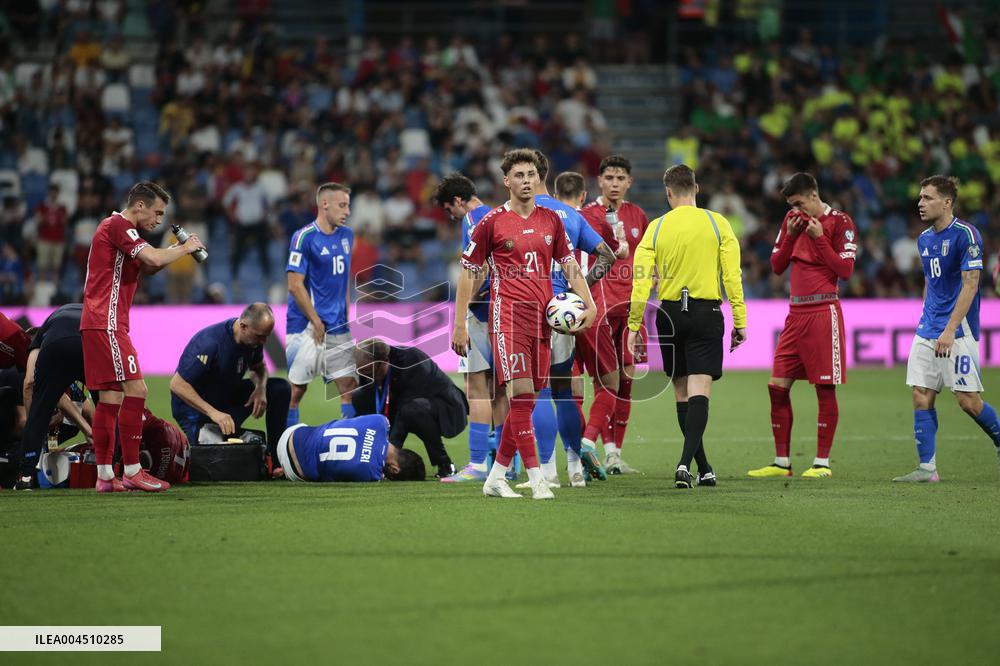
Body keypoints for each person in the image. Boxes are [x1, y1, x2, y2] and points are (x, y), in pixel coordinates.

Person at [452, 148, 596, 500]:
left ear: (538, 178)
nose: (526, 180)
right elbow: (469, 273)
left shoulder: (552, 220)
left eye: (531, 174)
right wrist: (458, 324)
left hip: (544, 321)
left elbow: (570, 266)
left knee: (526, 401)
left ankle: (496, 476)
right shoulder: (492, 222)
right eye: (519, 175)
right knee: (519, 395)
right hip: (508, 320)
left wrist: (588, 304)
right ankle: (537, 477)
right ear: (506, 181)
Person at [80, 180, 205, 493]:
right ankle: (134, 470)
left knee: (111, 398)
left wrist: (177, 250)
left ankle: (105, 475)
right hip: (107, 322)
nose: (159, 220)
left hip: (100, 323)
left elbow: (147, 267)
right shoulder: (119, 225)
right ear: (139, 205)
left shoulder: (122, 233)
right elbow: (152, 259)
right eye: (157, 212)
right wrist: (185, 248)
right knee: (137, 389)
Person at [628, 164, 747, 489]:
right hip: (706, 311)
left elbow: (641, 282)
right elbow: (732, 277)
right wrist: (740, 320)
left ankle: (704, 466)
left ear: (668, 192)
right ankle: (684, 463)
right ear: (696, 188)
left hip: (669, 316)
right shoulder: (717, 223)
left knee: (681, 392)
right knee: (700, 390)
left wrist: (634, 324)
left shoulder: (656, 227)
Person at [747, 173, 856, 479]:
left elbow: (845, 270)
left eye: (798, 203)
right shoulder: (792, 221)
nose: (795, 210)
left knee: (824, 387)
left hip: (824, 311)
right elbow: (777, 266)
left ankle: (822, 463)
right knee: (776, 386)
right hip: (795, 313)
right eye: (791, 205)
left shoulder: (841, 222)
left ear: (812, 195)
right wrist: (794, 235)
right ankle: (782, 462)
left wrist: (819, 238)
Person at [894, 176, 1000, 482]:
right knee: (920, 394)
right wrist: (927, 320)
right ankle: (927, 468)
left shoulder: (966, 235)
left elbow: (971, 284)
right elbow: (931, 282)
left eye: (927, 198)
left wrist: (950, 329)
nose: (920, 203)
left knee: (968, 401)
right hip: (928, 327)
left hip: (959, 330)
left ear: (947, 202)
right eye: (920, 197)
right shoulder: (924, 239)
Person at [528, 155, 616, 489]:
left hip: (531, 309)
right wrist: (579, 294)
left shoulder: (519, 213)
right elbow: (607, 254)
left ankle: (547, 471)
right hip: (563, 312)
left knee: (538, 390)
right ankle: (575, 468)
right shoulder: (570, 215)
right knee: (564, 391)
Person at [433, 172, 509, 483]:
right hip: (504, 311)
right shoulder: (495, 214)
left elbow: (479, 268)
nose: (450, 216)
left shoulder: (472, 220)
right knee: (500, 391)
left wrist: (461, 317)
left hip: (480, 313)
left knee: (477, 389)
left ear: (458, 201)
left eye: (449, 210)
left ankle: (477, 464)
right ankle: (507, 464)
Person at [580, 154, 650, 474]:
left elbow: (646, 258)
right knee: (605, 382)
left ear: (629, 182)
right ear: (600, 181)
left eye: (621, 178)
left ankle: (615, 455)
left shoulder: (639, 215)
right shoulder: (589, 215)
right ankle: (599, 448)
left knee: (627, 380)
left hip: (632, 307)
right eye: (609, 178)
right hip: (602, 306)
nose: (615, 184)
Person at [170, 303, 291, 469]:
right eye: (260, 336)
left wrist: (261, 389)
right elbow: (177, 384)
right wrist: (213, 413)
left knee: (280, 388)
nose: (263, 341)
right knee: (226, 461)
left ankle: (277, 462)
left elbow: (259, 367)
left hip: (226, 398)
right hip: (197, 412)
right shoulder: (210, 343)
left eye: (266, 337)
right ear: (243, 326)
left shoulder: (253, 341)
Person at [285, 182, 358, 427]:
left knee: (348, 385)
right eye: (342, 205)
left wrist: (346, 317)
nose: (347, 211)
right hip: (307, 325)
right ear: (324, 204)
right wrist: (315, 320)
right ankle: (287, 446)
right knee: (296, 391)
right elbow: (294, 284)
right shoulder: (304, 237)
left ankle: (351, 443)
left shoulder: (347, 236)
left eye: (348, 205)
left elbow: (343, 280)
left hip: (338, 325)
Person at [351, 338, 465, 478]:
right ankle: (367, 459)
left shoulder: (411, 361)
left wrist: (390, 449)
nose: (365, 376)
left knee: (412, 410)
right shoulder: (368, 369)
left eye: (368, 372)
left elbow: (403, 412)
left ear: (384, 362)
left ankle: (444, 463)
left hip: (445, 409)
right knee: (359, 396)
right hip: (403, 405)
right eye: (360, 371)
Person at [17, 303, 93, 490]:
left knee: (40, 413)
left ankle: (25, 477)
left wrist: (35, 420)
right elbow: (93, 407)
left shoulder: (42, 333)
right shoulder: (89, 313)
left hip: (56, 348)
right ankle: (112, 467)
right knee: (106, 401)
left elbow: (29, 383)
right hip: (92, 339)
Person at [277, 413, 426, 483]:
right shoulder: (371, 474)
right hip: (295, 471)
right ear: (394, 469)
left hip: (294, 433)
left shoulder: (381, 422)